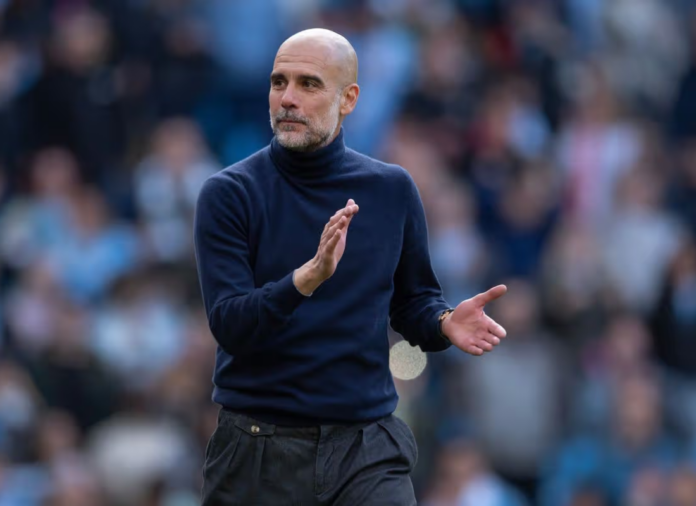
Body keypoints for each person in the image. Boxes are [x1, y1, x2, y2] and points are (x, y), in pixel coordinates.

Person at [193, 28, 509, 506]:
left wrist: (444, 323)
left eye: (308, 84)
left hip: (366, 449)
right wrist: (305, 281)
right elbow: (230, 325)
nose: (288, 98)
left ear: (349, 99)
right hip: (257, 452)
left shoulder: (391, 190)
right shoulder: (229, 194)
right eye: (279, 82)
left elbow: (413, 303)